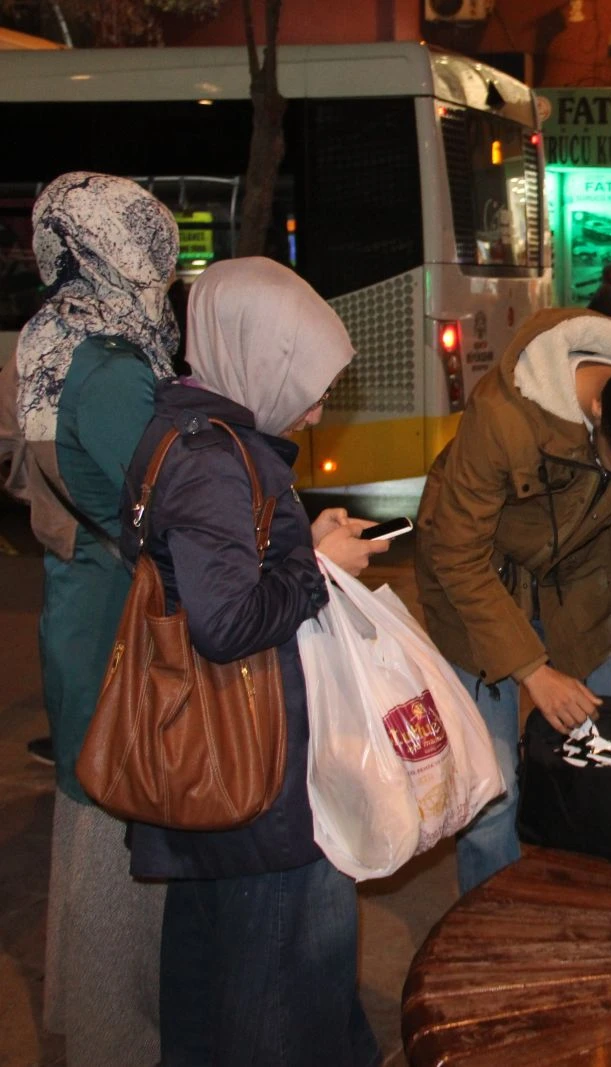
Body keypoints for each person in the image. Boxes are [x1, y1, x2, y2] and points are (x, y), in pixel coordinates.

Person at [120, 256, 389, 1066]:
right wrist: (323, 563)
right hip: (258, 784)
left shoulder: (194, 433)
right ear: (256, 357)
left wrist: (305, 543)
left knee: (213, 987)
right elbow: (228, 619)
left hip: (219, 769)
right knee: (277, 1006)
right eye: (306, 382)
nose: (316, 408)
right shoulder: (211, 459)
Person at [416, 308, 611, 893]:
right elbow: (457, 553)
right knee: (490, 791)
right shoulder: (505, 416)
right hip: (477, 585)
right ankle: (492, 926)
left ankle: (588, 909)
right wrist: (533, 671)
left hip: (580, 587)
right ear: (598, 411)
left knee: (598, 771)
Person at [8, 171, 174, 1067]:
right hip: (119, 629)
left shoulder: (48, 338)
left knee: (88, 837)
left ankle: (96, 1027)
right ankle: (119, 1044)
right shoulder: (107, 366)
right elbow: (157, 501)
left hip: (82, 617)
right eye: (144, 237)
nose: (162, 258)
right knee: (116, 854)